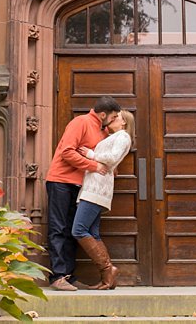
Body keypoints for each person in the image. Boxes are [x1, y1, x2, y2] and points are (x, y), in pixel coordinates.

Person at [45, 95, 120, 291]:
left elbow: (103, 158)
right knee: (58, 228)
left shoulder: (103, 131)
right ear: (103, 114)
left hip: (81, 186)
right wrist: (94, 166)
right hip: (61, 181)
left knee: (73, 231)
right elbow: (67, 152)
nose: (113, 121)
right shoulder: (81, 122)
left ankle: (69, 276)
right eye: (113, 117)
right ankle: (58, 276)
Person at [72, 109, 134, 290]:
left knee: (79, 230)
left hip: (97, 189)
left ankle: (108, 269)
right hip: (94, 187)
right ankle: (108, 277)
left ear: (123, 123)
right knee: (92, 232)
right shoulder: (114, 136)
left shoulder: (123, 136)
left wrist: (91, 155)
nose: (113, 119)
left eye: (117, 117)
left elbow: (113, 158)